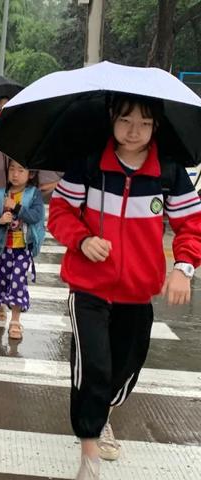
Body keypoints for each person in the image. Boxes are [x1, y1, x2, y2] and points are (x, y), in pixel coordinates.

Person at [48, 93, 201, 480]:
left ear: (157, 127)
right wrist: (82, 240)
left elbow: (191, 226)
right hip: (89, 287)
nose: (134, 131)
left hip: (138, 292)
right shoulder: (87, 164)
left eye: (145, 123)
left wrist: (183, 268)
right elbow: (61, 213)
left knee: (125, 368)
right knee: (94, 367)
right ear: (111, 118)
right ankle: (88, 451)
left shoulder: (169, 171)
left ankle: (102, 413)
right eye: (126, 120)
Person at [0, 159, 45, 339]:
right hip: (3, 247)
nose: (15, 174)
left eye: (21, 170)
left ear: (31, 174)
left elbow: (36, 216)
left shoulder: (33, 194)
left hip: (23, 248)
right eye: (12, 169)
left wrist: (17, 207)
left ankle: (15, 320)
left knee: (18, 281)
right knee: (1, 279)